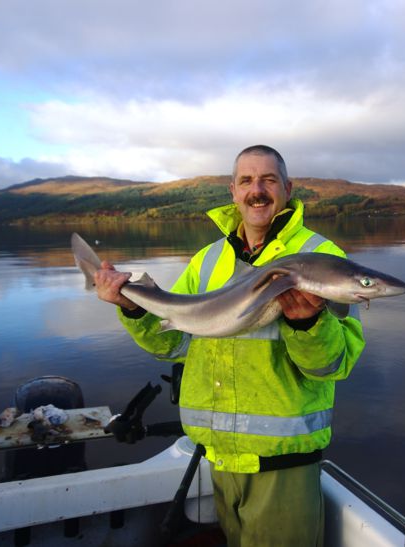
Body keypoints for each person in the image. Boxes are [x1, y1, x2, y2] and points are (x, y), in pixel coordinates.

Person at [94, 144, 365, 546]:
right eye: (247, 181)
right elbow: (172, 344)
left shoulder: (324, 260)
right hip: (218, 460)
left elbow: (334, 364)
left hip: (282, 467)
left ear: (288, 189)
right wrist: (133, 308)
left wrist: (308, 323)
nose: (257, 190)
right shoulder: (207, 260)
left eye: (269, 180)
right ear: (233, 192)